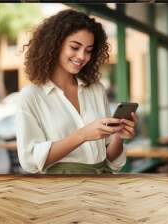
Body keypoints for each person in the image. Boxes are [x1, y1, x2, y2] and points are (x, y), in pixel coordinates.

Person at [16, 9, 138, 174]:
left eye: (88, 50)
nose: (82, 56)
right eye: (75, 47)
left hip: (101, 186)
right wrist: (82, 135)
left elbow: (110, 160)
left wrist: (118, 136)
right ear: (55, 45)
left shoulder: (96, 90)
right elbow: (29, 160)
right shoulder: (32, 96)